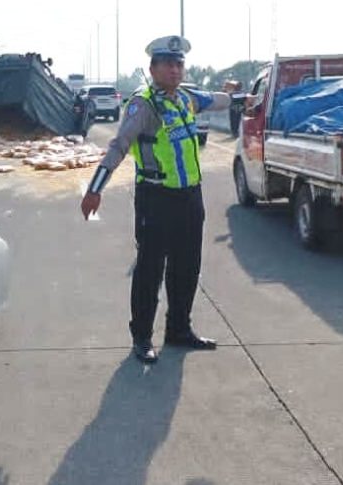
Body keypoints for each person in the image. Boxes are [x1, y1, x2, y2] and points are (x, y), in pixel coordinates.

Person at [80, 35, 231, 363]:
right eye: (168, 64)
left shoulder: (186, 98)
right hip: (156, 197)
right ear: (153, 68)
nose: (175, 70)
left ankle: (179, 330)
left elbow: (217, 100)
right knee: (150, 269)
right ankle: (142, 338)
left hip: (191, 196)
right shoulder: (143, 104)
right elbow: (119, 145)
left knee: (187, 266)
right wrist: (95, 188)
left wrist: (239, 96)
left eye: (179, 64)